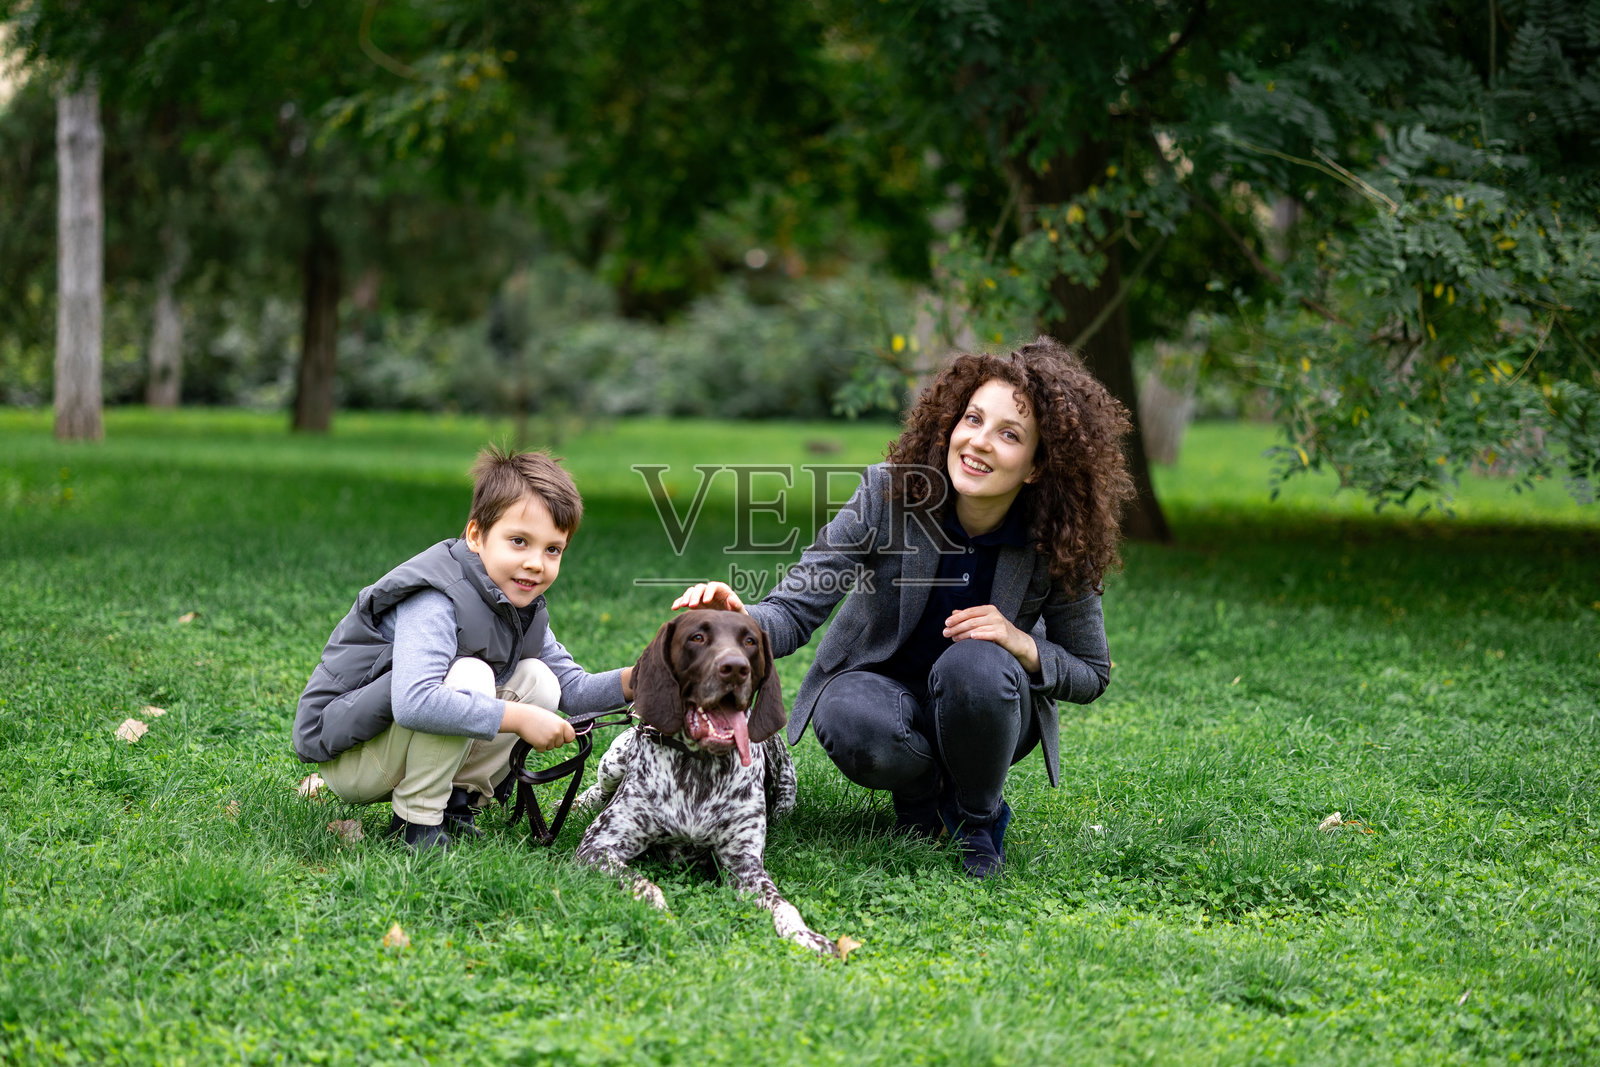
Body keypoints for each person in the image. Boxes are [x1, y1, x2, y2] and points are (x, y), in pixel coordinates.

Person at [675, 337, 1134, 877]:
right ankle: (921, 799)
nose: (979, 442)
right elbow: (796, 608)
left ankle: (977, 819)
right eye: (972, 419)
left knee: (978, 663)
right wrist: (739, 618)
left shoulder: (1057, 538)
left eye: (1009, 435)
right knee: (845, 713)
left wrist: (1022, 643)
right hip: (881, 695)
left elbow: (1091, 672)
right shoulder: (886, 495)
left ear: (1036, 466)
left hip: (987, 708)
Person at [293, 446, 633, 852]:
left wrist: (647, 675)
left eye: (552, 549)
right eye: (519, 541)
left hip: (397, 746)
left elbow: (574, 692)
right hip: (355, 758)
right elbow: (413, 702)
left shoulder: (516, 609)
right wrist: (517, 717)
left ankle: (456, 804)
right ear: (476, 535)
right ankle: (415, 821)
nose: (536, 563)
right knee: (469, 674)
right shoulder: (436, 598)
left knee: (540, 680)